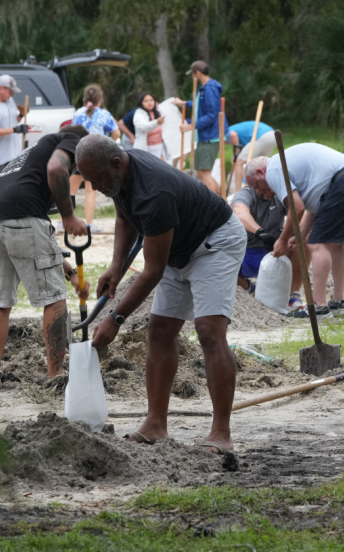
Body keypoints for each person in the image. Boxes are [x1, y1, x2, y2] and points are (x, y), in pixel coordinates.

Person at [76, 134, 246, 470]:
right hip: (177, 248)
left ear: (115, 164)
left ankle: (221, 432)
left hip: (215, 241)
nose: (95, 186)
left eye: (96, 179)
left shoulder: (155, 191)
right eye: (89, 181)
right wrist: (116, 266)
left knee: (209, 331)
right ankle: (155, 425)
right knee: (160, 330)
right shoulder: (120, 174)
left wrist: (116, 319)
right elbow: (126, 216)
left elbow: (152, 271)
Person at [0, 125, 92, 392]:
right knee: (53, 297)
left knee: (0, 301)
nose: (77, 170)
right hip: (22, 213)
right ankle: (56, 376)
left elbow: (36, 248)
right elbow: (56, 170)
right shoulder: (72, 139)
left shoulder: (29, 154)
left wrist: (72, 275)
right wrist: (68, 215)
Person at [244, 144, 344, 319]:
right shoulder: (290, 164)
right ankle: (337, 303)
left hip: (343, 183)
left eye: (256, 185)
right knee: (337, 244)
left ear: (261, 172)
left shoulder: (274, 168)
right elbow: (315, 205)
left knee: (316, 243)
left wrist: (283, 240)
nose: (260, 190)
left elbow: (296, 207)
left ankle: (319, 307)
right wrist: (299, 234)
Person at [231, 183, 303, 312]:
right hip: (248, 254)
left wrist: (290, 236)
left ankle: (293, 295)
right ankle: (250, 289)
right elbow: (239, 212)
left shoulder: (280, 194)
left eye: (271, 188)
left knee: (304, 240)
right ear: (254, 183)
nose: (269, 192)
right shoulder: (246, 194)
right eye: (264, 188)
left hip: (276, 252)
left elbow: (300, 215)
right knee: (218, 261)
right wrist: (260, 232)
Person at [68, 84, 121, 233]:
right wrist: (108, 142)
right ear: (100, 99)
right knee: (90, 192)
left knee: (70, 190)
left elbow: (72, 132)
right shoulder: (105, 114)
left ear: (85, 98)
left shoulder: (78, 113)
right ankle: (90, 224)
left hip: (78, 155)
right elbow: (117, 133)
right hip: (96, 158)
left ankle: (62, 221)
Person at [172, 61, 229, 195]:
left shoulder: (209, 89)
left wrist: (191, 126)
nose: (192, 77)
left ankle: (216, 205)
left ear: (197, 73)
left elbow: (211, 115)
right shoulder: (204, 89)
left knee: (204, 173)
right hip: (206, 136)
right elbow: (199, 105)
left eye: (192, 74)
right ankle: (221, 202)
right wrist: (184, 103)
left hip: (210, 137)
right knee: (202, 172)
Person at [0, 74, 29, 178]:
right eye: (11, 90)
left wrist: (21, 115)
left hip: (15, 155)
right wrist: (15, 130)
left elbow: (14, 121)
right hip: (1, 159)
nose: (12, 94)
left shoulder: (9, 101)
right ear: (2, 88)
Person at [132, 92, 169, 161]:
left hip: (160, 147)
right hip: (146, 149)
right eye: (146, 101)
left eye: (151, 100)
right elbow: (144, 127)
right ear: (141, 103)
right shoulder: (138, 114)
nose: (149, 103)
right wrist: (157, 122)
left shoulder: (159, 112)